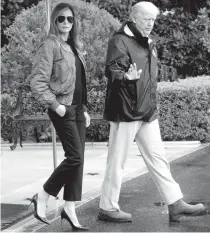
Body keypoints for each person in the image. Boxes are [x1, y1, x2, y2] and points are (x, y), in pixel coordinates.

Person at [98, 1, 205, 223]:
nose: (151, 24)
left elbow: (148, 76)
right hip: (125, 111)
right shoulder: (120, 40)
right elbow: (112, 70)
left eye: (153, 20)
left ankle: (175, 203)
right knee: (116, 162)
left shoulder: (148, 42)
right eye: (147, 19)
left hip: (146, 112)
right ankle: (107, 207)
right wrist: (124, 77)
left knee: (159, 159)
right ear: (134, 18)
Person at [30, 3, 90, 231]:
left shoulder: (75, 47)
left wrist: (84, 108)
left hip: (77, 110)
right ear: (54, 21)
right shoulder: (49, 45)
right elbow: (37, 81)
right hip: (62, 109)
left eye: (70, 19)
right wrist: (55, 105)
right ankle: (44, 194)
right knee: (74, 157)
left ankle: (70, 208)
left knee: (79, 159)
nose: (66, 23)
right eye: (61, 19)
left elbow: (80, 83)